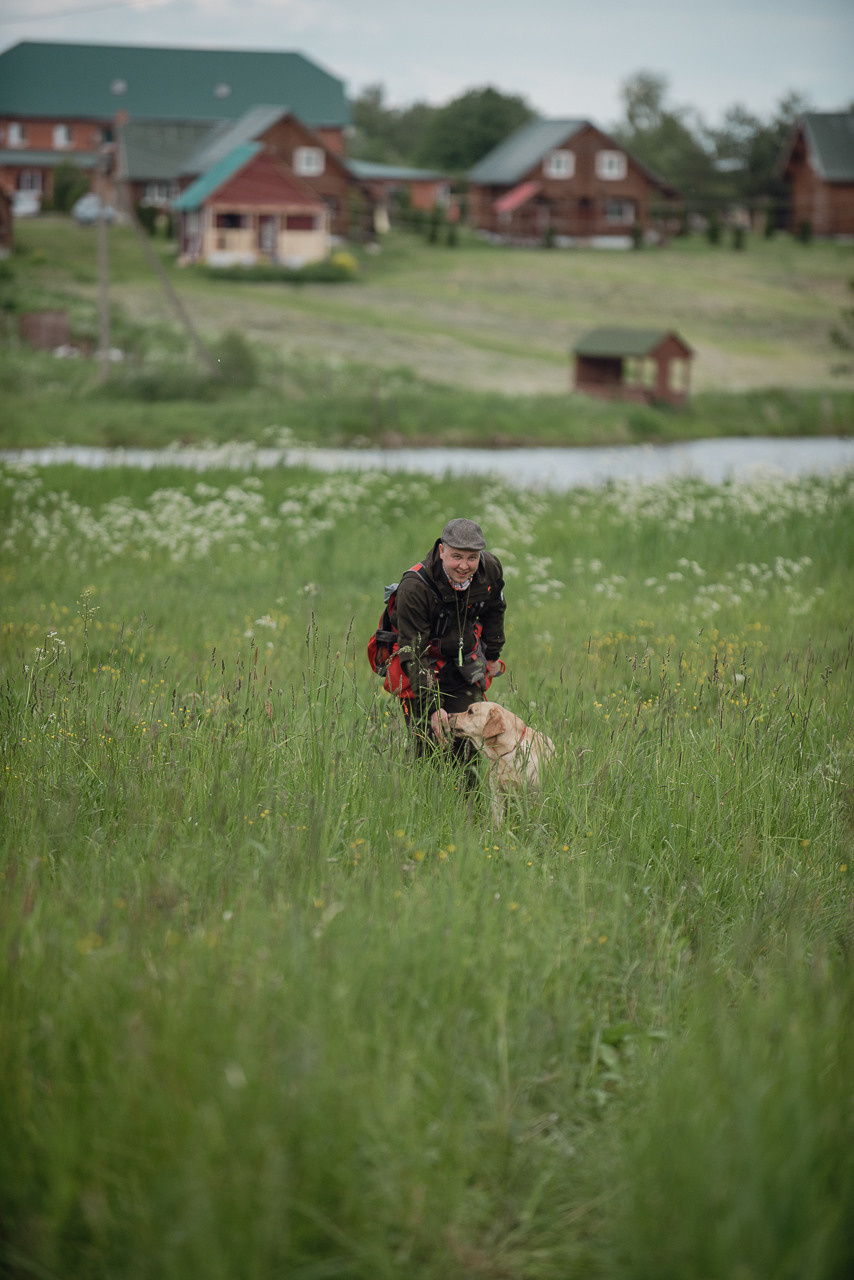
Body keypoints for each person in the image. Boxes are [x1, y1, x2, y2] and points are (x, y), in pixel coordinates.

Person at [391, 517, 506, 757]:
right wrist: (433, 708)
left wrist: (493, 654)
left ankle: (467, 783)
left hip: (463, 665)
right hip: (420, 667)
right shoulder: (415, 587)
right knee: (430, 747)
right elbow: (413, 653)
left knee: (468, 750)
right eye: (457, 556)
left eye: (472, 558)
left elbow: (495, 609)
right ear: (442, 551)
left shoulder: (490, 570)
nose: (464, 566)